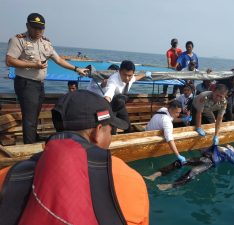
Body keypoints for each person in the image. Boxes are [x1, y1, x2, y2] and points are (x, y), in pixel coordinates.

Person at [0, 90, 149, 225]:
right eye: (111, 131)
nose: (111, 137)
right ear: (97, 132)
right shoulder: (129, 179)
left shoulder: (7, 176)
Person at [5, 13, 88, 144]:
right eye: (35, 28)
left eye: (41, 28)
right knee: (29, 118)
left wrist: (77, 69)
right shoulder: (18, 40)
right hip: (26, 84)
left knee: (35, 114)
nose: (38, 31)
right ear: (28, 26)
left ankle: (34, 136)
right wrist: (33, 65)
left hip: (39, 84)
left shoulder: (46, 43)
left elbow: (59, 60)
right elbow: (9, 61)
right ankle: (29, 145)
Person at [145, 144, 234, 191]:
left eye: (231, 146)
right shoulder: (218, 147)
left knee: (193, 171)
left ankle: (170, 185)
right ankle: (155, 175)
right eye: (228, 145)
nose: (228, 145)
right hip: (203, 158)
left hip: (210, 163)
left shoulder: (232, 154)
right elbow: (204, 150)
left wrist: (227, 151)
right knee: (181, 162)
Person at [104, 60, 152, 134]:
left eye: (129, 75)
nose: (127, 78)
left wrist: (145, 74)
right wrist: (105, 102)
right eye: (124, 75)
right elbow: (109, 92)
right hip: (111, 106)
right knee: (112, 131)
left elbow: (136, 78)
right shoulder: (113, 80)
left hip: (120, 105)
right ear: (119, 71)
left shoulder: (131, 78)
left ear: (133, 73)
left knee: (128, 127)